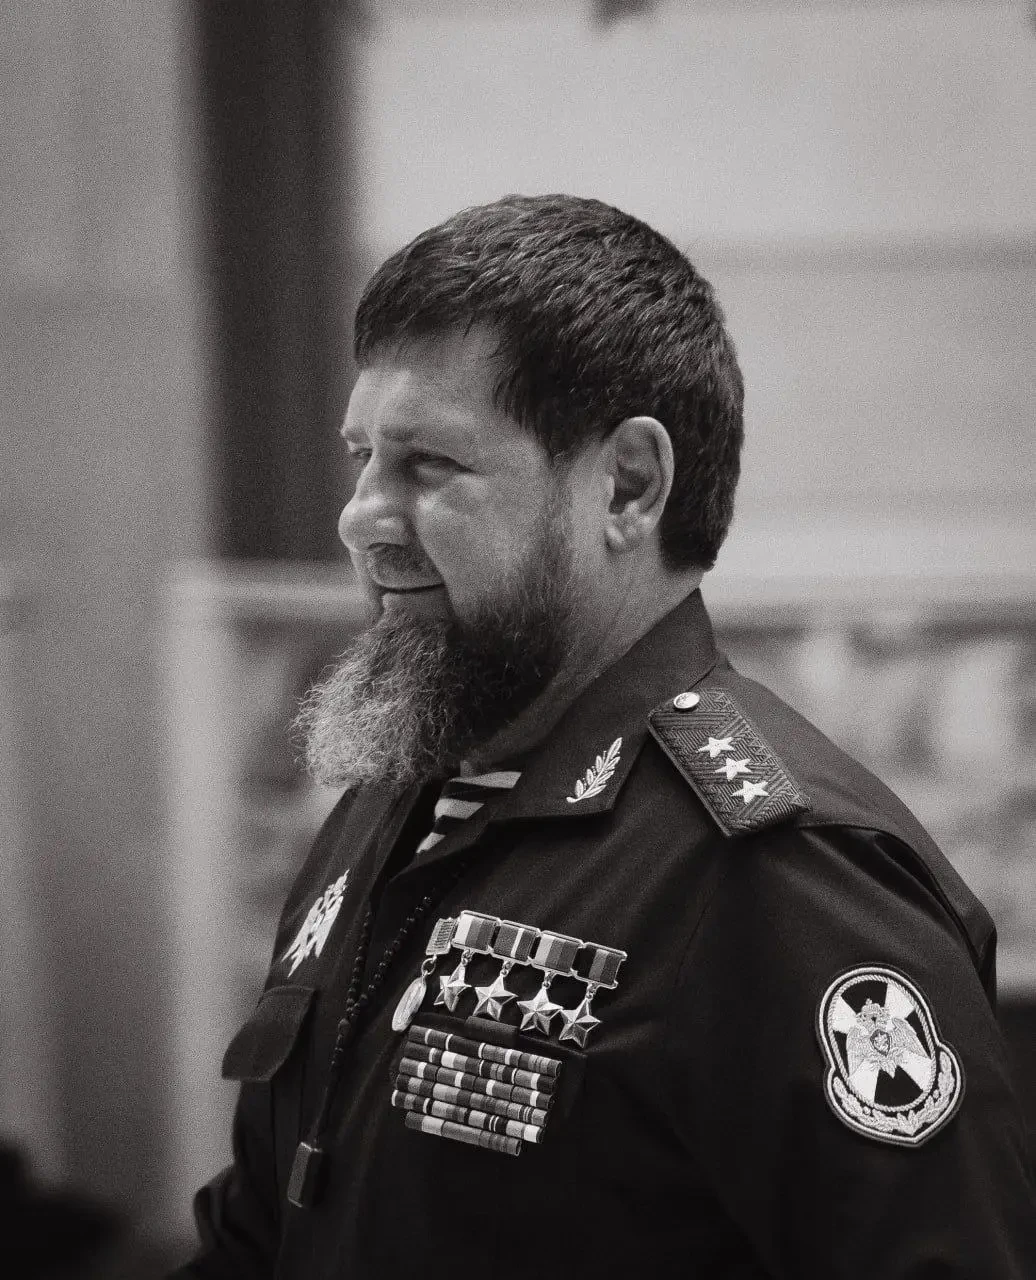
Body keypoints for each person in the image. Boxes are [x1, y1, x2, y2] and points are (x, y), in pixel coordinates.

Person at [172, 194, 1036, 1278]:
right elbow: (266, 1229)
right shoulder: (395, 803)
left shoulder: (783, 879)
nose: (363, 517)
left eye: (427, 465)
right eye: (362, 458)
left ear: (627, 485)